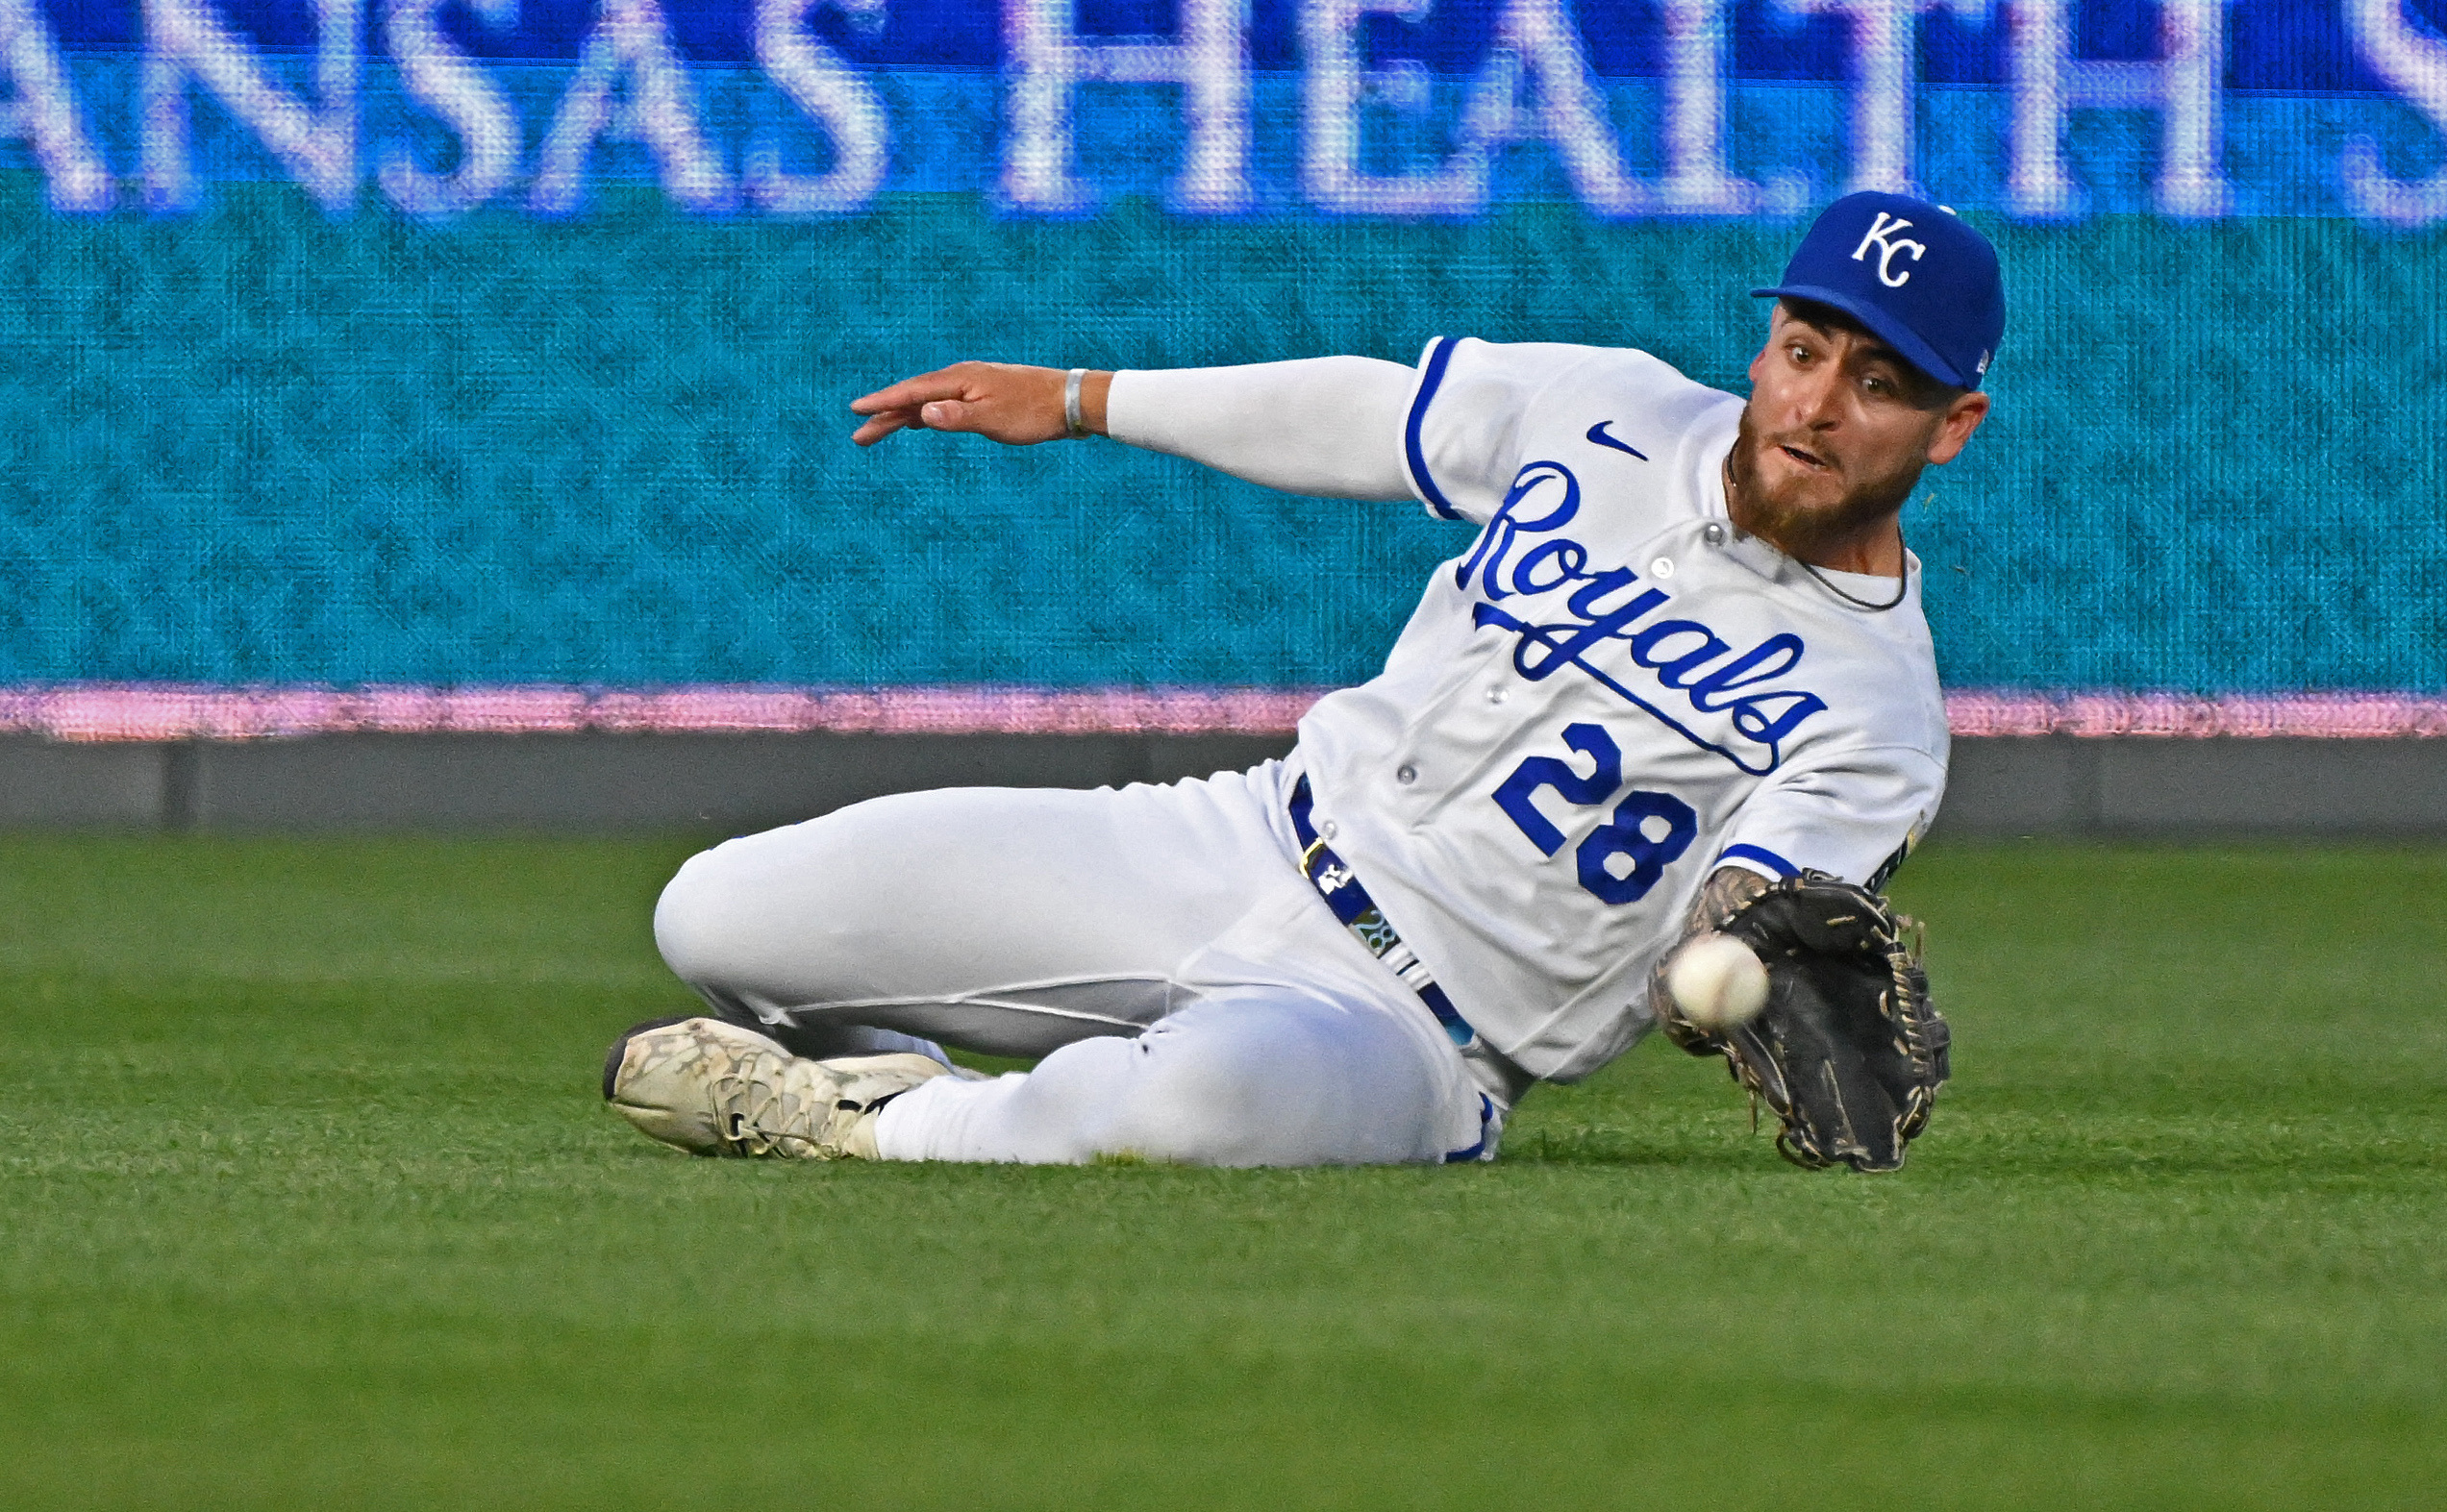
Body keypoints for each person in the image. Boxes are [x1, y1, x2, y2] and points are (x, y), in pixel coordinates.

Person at [603, 191, 2001, 1168]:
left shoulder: (1875, 711)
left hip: (1409, 1030)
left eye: (1878, 382)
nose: (1815, 405)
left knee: (1203, 1106)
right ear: (1764, 347)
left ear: (1952, 428)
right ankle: (997, 1090)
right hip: (1238, 838)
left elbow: (1765, 896)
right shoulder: (1612, 407)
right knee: (717, 914)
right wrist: (1086, 397)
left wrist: (1743, 943)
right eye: (1803, 350)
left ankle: (880, 1121)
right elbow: (1363, 412)